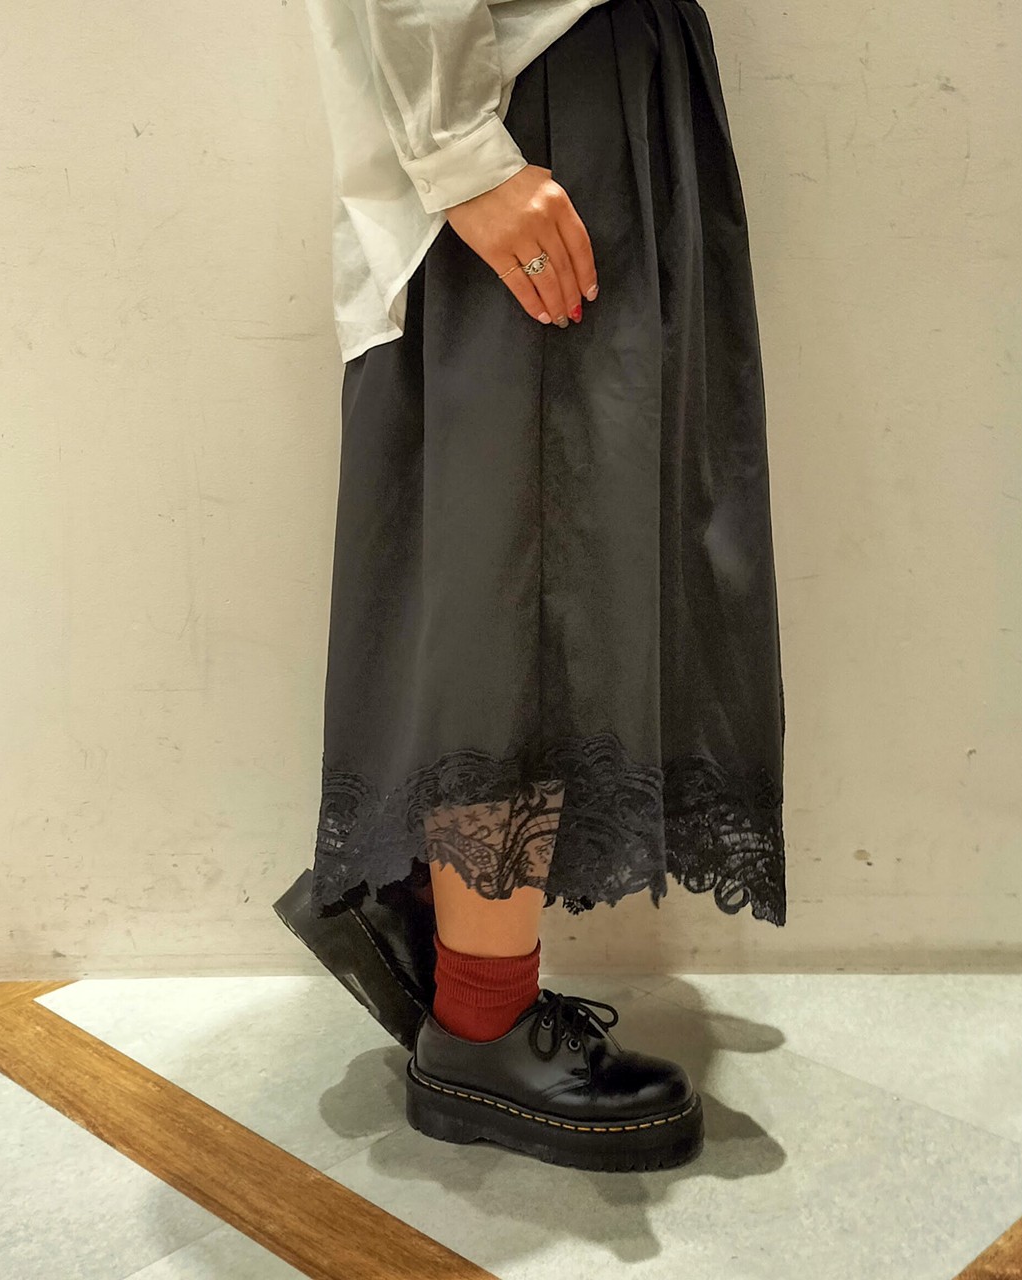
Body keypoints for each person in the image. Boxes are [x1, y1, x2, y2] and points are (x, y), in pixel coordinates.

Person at [275, 0, 787, 1173]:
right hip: (537, 90)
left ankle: (423, 902)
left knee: (568, 542)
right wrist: (465, 152)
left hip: (605, 84)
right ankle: (479, 1021)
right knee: (521, 563)